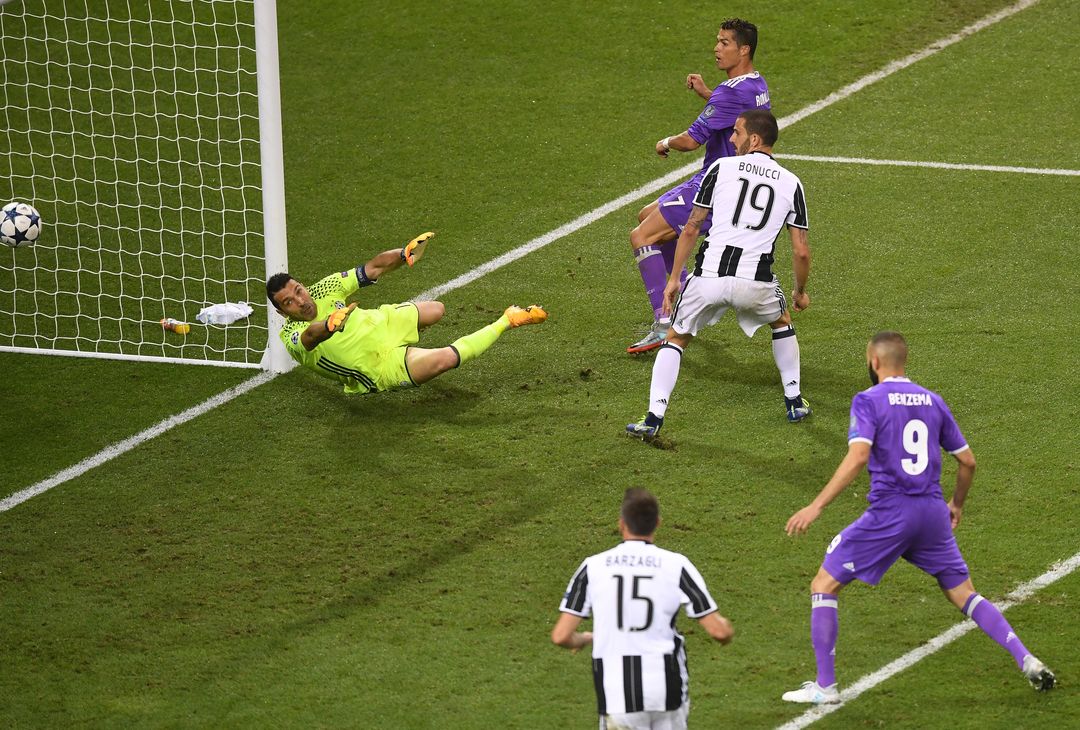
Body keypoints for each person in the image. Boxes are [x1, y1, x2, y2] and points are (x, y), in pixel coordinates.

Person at [781, 332, 1056, 704]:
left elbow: (858, 456)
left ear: (875, 362)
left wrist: (816, 506)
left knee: (824, 584)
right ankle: (1027, 658)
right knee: (964, 594)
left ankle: (825, 687)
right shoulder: (933, 401)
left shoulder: (868, 400)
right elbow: (968, 461)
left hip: (890, 513)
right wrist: (955, 505)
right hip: (931, 513)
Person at [627, 109, 811, 440]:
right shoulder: (791, 182)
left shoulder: (720, 168)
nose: (731, 138)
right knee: (782, 321)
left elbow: (692, 227)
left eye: (737, 133)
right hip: (757, 282)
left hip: (707, 279)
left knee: (676, 339)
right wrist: (800, 291)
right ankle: (794, 400)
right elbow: (800, 251)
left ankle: (653, 417)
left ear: (754, 139)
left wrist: (673, 279)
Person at [627, 18, 770, 354]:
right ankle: (690, 295)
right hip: (727, 177)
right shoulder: (757, 85)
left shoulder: (730, 93)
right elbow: (735, 113)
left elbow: (691, 141)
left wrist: (664, 142)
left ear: (743, 48)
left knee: (642, 237)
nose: (716, 49)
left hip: (718, 184)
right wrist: (709, 95)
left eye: (724, 43)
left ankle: (665, 322)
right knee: (645, 214)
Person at [266, 232, 547, 394]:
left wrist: (403, 253)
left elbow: (372, 268)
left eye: (298, 290)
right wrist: (327, 326)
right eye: (289, 302)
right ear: (281, 312)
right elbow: (310, 339)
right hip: (378, 365)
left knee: (437, 309)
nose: (300, 300)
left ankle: (408, 342)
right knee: (446, 359)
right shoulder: (291, 334)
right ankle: (508, 319)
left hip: (382, 323)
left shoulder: (324, 287)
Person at [552, 488, 734, 729]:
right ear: (657, 523)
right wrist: (727, 630)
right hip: (665, 689)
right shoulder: (676, 565)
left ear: (621, 523)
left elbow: (561, 636)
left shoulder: (592, 567)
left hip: (617, 695)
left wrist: (585, 638)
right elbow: (718, 632)